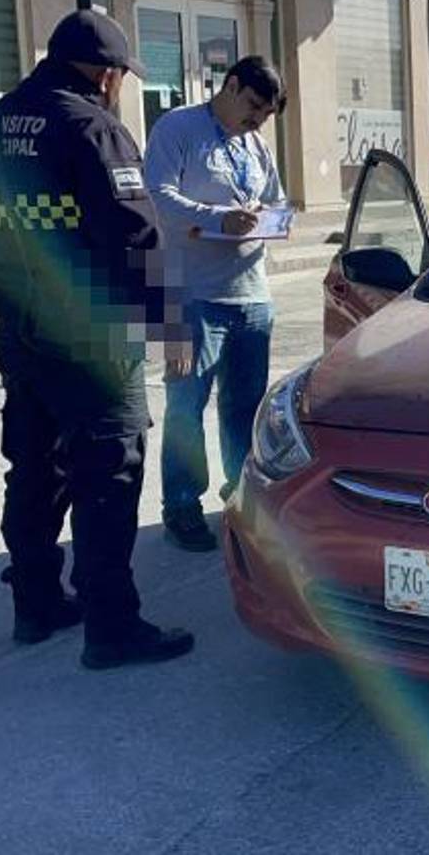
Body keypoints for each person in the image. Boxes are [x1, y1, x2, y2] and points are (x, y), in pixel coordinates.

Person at [0, 9, 194, 669]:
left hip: (21, 332)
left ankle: (36, 605)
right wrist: (169, 324)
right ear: (105, 73)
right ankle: (113, 627)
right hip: (92, 342)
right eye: (121, 74)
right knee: (108, 477)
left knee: (35, 469)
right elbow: (134, 239)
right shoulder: (91, 127)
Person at [145, 57, 287, 552]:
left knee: (244, 409)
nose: (257, 120)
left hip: (251, 295)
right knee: (186, 407)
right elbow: (156, 197)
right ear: (231, 85)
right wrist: (217, 220)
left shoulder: (256, 144)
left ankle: (240, 499)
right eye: (253, 106)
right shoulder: (178, 128)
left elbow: (276, 201)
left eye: (265, 115)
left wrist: (270, 218)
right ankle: (181, 506)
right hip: (192, 295)